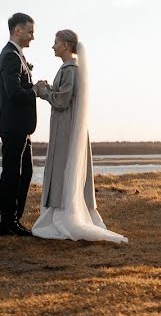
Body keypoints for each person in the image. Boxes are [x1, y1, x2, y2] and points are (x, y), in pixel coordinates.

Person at [31, 30, 128, 243]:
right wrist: (49, 88)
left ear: (65, 45)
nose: (53, 46)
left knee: (63, 165)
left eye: (55, 43)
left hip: (66, 128)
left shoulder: (70, 70)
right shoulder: (72, 70)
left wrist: (42, 91)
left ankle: (63, 215)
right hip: (69, 125)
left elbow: (62, 101)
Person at [0, 12, 40, 237]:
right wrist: (35, 90)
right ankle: (8, 223)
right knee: (12, 173)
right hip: (13, 125)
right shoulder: (11, 56)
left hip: (21, 126)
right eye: (30, 32)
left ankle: (14, 220)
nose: (32, 36)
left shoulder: (17, 55)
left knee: (25, 172)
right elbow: (13, 93)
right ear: (17, 31)